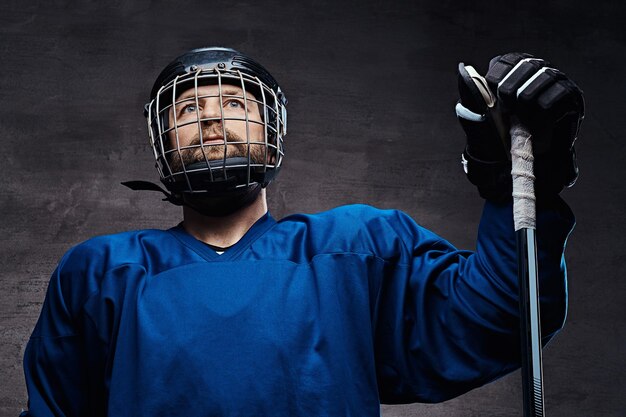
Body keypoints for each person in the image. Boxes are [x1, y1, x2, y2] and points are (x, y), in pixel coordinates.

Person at [20, 47, 584, 416]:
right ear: (162, 139)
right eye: (189, 107)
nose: (212, 119)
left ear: (272, 131)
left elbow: (502, 319)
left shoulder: (358, 249)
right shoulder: (101, 273)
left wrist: (518, 183)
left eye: (236, 103)